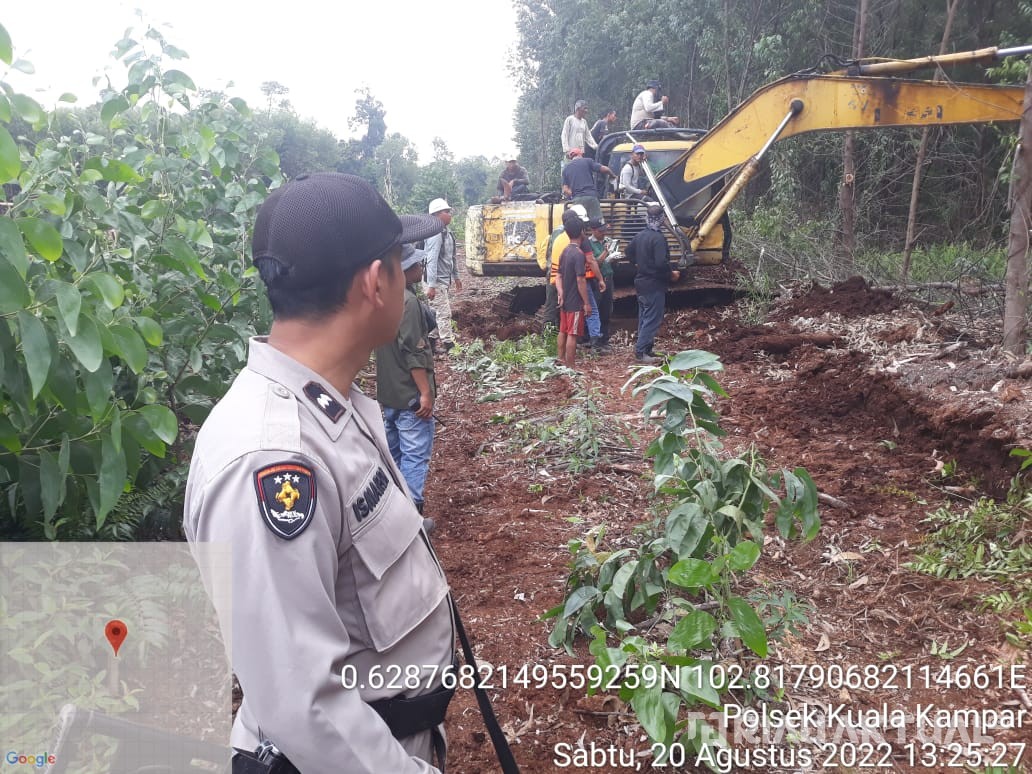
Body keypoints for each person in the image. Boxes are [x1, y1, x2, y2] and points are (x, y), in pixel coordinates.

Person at [183, 172, 454, 773]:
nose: (406, 277)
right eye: (397, 262)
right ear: (373, 284)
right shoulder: (273, 459)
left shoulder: (332, 409)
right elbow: (302, 701)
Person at [375, 244, 437, 515]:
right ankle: (412, 513)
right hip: (410, 395)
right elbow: (413, 350)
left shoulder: (384, 297)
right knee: (414, 456)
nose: (420, 269)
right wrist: (425, 392)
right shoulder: (408, 303)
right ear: (406, 270)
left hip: (390, 393)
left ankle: (394, 511)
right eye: (416, 265)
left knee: (395, 455)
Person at [627, 204, 680, 363]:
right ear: (662, 219)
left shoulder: (640, 235)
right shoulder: (658, 239)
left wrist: (637, 263)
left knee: (645, 316)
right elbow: (660, 263)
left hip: (641, 282)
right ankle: (641, 352)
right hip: (654, 284)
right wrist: (671, 273)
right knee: (652, 319)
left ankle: (647, 349)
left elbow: (628, 252)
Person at [423, 198, 463, 353]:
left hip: (443, 280)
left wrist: (457, 277)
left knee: (436, 312)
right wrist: (431, 286)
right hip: (435, 280)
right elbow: (431, 260)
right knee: (444, 313)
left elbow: (452, 257)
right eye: (446, 212)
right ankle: (449, 346)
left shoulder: (448, 233)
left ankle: (431, 343)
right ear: (437, 215)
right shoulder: (435, 235)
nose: (449, 214)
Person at [556, 215, 591, 368]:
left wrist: (560, 292)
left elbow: (558, 276)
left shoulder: (565, 251)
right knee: (572, 333)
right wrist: (586, 302)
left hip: (565, 300)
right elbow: (580, 280)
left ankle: (560, 360)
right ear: (582, 232)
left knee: (563, 330)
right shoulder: (578, 254)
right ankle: (571, 367)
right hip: (575, 301)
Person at [560, 148, 615, 223]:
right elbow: (605, 169)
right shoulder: (587, 161)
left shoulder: (566, 169)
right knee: (599, 223)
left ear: (571, 157)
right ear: (581, 154)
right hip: (591, 197)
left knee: (579, 224)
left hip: (577, 199)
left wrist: (574, 194)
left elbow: (565, 190)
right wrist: (613, 175)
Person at [587, 219, 615, 351]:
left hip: (609, 278)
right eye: (600, 231)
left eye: (605, 230)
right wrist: (606, 252)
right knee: (595, 310)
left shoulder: (606, 241)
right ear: (593, 230)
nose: (604, 233)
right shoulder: (589, 244)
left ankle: (604, 340)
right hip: (597, 280)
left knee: (606, 310)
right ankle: (594, 340)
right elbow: (595, 263)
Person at [561, 99, 598, 164]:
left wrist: (596, 147)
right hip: (571, 154)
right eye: (584, 108)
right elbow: (564, 135)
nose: (586, 111)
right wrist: (566, 150)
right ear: (578, 109)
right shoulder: (570, 119)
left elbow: (588, 137)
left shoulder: (584, 122)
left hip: (580, 154)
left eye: (587, 108)